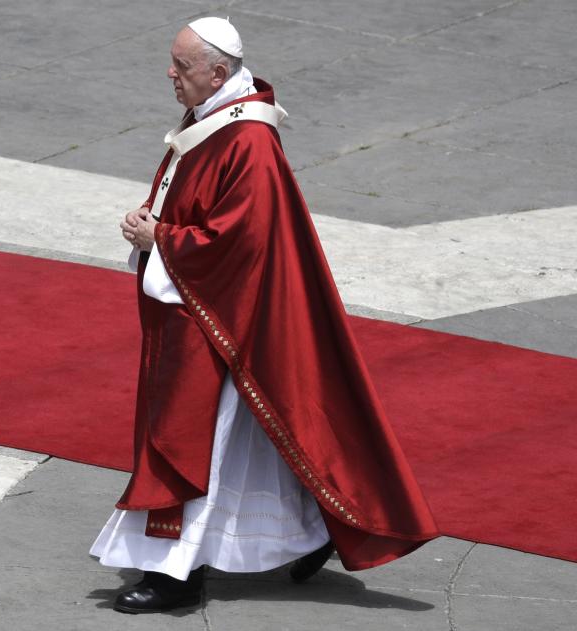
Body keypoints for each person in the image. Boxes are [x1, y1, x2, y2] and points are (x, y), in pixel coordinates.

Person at [89, 17, 440, 614]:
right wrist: (152, 223)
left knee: (200, 441)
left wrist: (163, 237)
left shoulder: (247, 139)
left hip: (225, 319)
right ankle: (316, 529)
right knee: (252, 438)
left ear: (219, 73)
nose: (170, 75)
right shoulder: (212, 115)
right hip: (210, 308)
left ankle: (178, 576)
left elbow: (240, 242)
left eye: (182, 66)